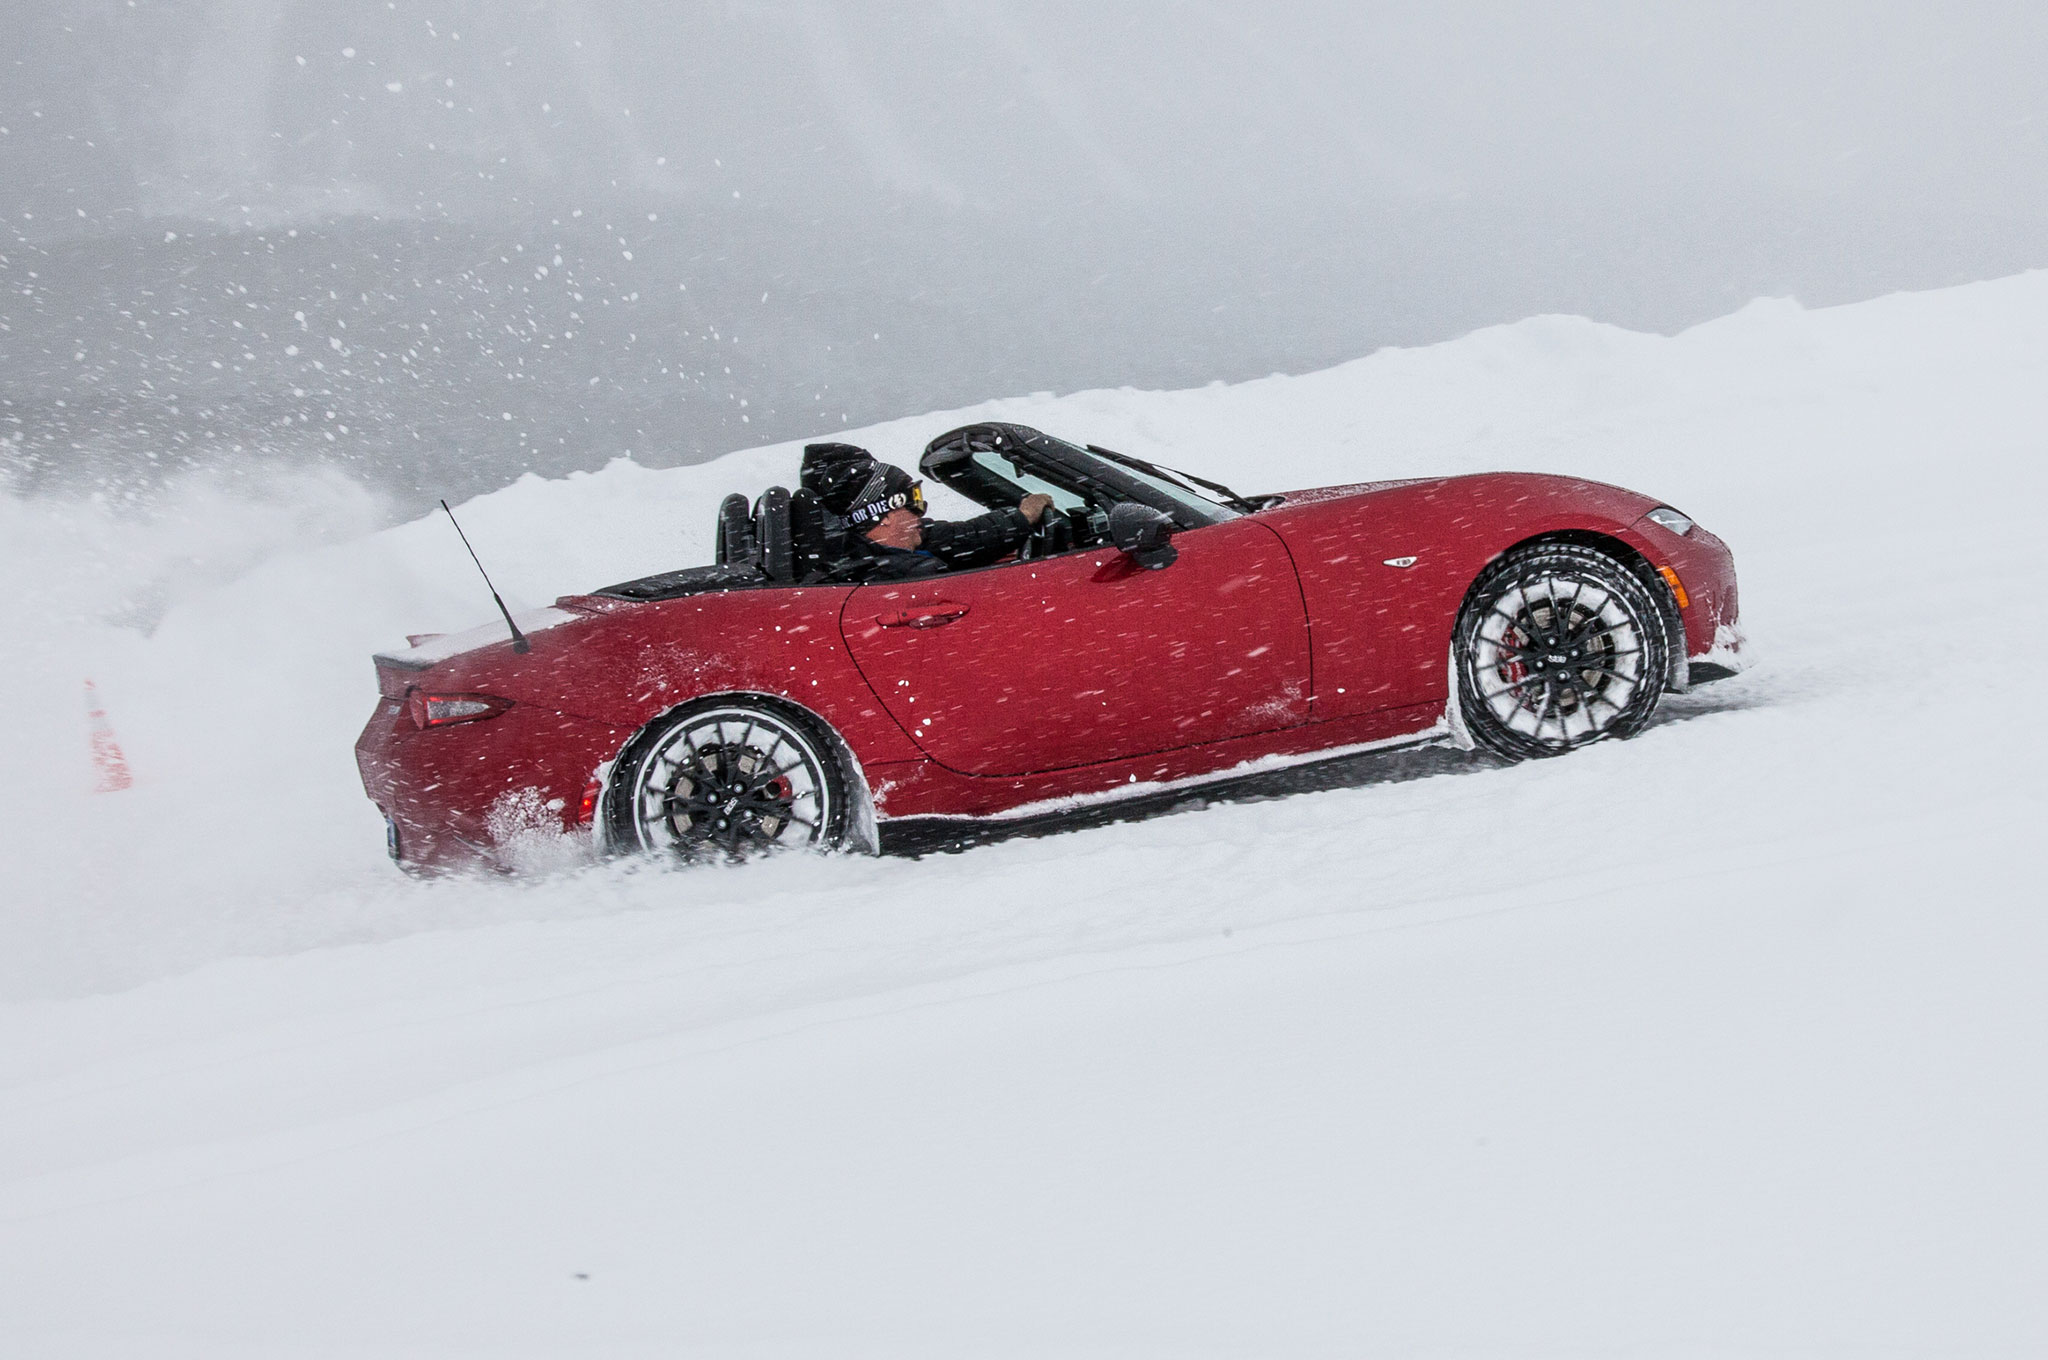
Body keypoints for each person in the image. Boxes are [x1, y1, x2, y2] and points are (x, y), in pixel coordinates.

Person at [801, 443, 1052, 580]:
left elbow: (961, 537)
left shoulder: (858, 550)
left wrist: (1021, 517)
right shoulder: (910, 574)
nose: (920, 513)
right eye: (913, 501)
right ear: (884, 516)